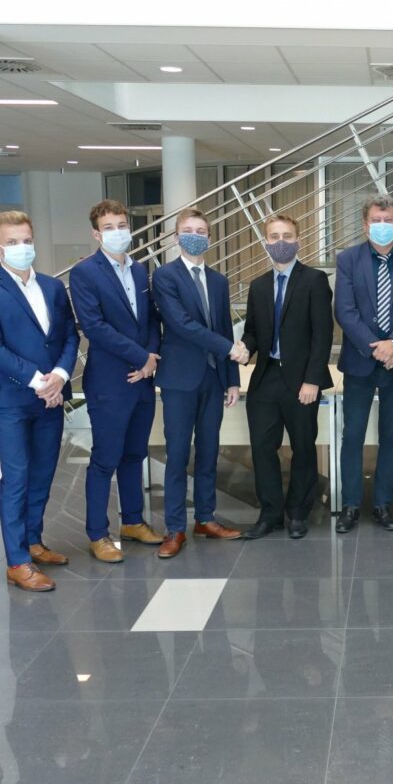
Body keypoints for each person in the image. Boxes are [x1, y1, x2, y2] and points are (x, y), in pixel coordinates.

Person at [0, 211, 79, 591]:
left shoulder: (52, 287)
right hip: (10, 399)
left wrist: (60, 375)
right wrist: (37, 381)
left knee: (43, 473)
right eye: (12, 242)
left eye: (27, 240)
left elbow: (69, 336)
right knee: (16, 477)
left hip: (51, 397)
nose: (22, 247)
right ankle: (17, 562)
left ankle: (33, 541)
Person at [67, 199, 163, 564]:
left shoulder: (139, 270)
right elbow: (94, 327)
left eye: (122, 225)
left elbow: (150, 319)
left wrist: (151, 357)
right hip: (110, 381)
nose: (118, 232)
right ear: (96, 234)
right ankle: (97, 533)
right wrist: (141, 357)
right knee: (106, 458)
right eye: (109, 227)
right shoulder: (84, 273)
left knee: (135, 454)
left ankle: (133, 521)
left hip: (142, 379)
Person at [229, 214, 334, 540]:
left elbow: (323, 334)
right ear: (266, 242)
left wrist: (313, 380)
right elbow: (252, 331)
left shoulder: (314, 280)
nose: (281, 242)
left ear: (298, 240)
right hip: (266, 378)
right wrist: (245, 347)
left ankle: (298, 513)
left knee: (303, 447)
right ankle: (270, 513)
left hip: (302, 380)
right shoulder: (259, 286)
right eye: (274, 237)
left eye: (287, 236)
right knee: (262, 448)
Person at [333, 194, 393, 534]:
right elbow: (344, 311)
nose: (383, 225)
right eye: (377, 220)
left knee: (391, 436)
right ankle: (350, 505)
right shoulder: (347, 259)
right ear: (365, 224)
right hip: (360, 361)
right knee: (353, 435)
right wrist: (375, 348)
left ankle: (383, 504)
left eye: (389, 220)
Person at [152, 208, 243, 557]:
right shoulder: (165, 276)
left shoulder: (218, 281)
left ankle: (205, 518)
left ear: (209, 237)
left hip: (213, 378)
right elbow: (181, 324)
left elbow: (223, 327)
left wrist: (231, 379)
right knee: (177, 454)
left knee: (208, 451)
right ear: (177, 237)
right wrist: (230, 349)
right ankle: (175, 528)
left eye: (201, 231)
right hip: (180, 378)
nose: (195, 235)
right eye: (188, 230)